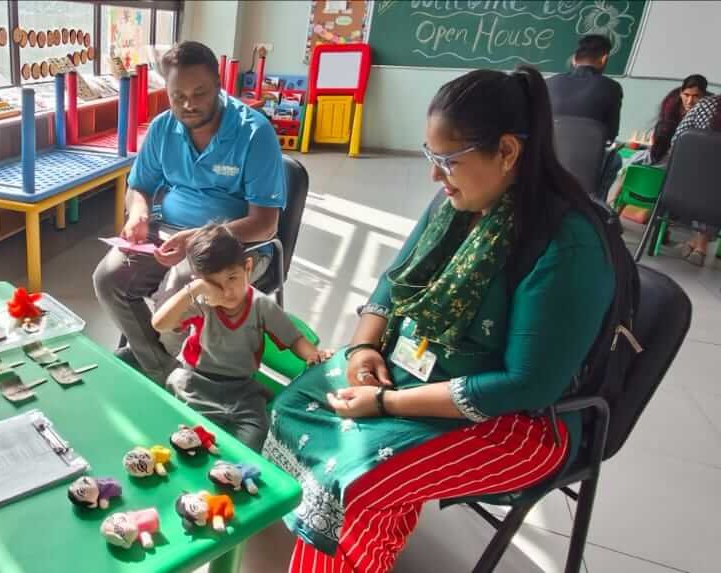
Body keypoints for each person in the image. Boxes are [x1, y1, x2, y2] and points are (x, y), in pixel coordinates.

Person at [264, 66, 613, 573]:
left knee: (355, 483)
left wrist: (387, 403)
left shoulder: (565, 243)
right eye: (431, 156)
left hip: (519, 423)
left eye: (447, 160)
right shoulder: (458, 202)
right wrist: (364, 348)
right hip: (418, 373)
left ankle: (352, 541)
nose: (434, 175)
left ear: (507, 152)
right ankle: (352, 538)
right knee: (292, 406)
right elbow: (394, 281)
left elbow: (525, 384)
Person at [93, 40, 287, 384]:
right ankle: (164, 371)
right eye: (177, 96)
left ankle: (168, 366)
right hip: (168, 232)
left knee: (181, 290)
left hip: (236, 246)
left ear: (219, 85)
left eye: (200, 93)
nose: (188, 105)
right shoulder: (163, 128)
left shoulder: (254, 133)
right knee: (109, 278)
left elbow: (265, 224)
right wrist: (138, 214)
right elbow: (139, 187)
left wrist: (196, 238)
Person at [150, 224, 330, 450]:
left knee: (255, 437)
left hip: (243, 389)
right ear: (201, 281)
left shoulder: (261, 305)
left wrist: (313, 354)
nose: (226, 292)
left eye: (232, 278)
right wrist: (194, 290)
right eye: (213, 284)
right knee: (187, 440)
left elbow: (294, 339)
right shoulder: (202, 303)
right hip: (195, 382)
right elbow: (159, 323)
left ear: (248, 267)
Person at [671, 61, 721, 266]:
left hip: (684, 191)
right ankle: (699, 244)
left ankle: (698, 244)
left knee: (710, 176)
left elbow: (677, 143)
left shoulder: (706, 104)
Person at [605, 74, 710, 218]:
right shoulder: (672, 104)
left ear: (704, 97)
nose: (690, 101)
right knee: (637, 164)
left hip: (682, 161)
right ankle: (615, 205)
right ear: (681, 93)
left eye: (696, 96)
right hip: (664, 156)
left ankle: (616, 205)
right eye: (686, 95)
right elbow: (661, 132)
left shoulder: (706, 113)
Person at [547, 34, 624, 142]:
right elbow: (611, 134)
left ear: (574, 59)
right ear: (604, 59)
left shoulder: (549, 83)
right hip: (589, 152)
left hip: (546, 151)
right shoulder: (612, 88)